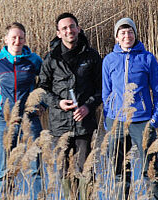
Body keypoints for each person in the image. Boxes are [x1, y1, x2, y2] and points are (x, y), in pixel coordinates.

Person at [0, 22, 43, 198]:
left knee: (35, 168)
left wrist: (42, 104)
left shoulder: (34, 60)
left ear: (25, 39)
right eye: (13, 37)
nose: (17, 41)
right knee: (5, 169)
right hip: (3, 120)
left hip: (30, 118)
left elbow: (47, 82)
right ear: (6, 39)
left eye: (20, 37)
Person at [37, 12, 102, 197]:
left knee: (86, 170)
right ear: (58, 33)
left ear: (78, 29)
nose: (69, 30)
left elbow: (101, 89)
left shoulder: (91, 56)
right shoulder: (51, 59)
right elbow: (42, 88)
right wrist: (58, 103)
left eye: (72, 26)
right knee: (65, 170)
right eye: (64, 28)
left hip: (85, 124)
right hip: (60, 125)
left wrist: (87, 106)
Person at [101, 18, 158, 198]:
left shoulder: (147, 58)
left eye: (130, 32)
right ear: (116, 37)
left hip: (143, 120)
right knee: (119, 168)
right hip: (117, 122)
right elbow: (106, 93)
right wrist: (109, 121)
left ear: (135, 34)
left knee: (151, 167)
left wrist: (155, 119)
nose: (127, 36)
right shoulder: (109, 60)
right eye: (122, 33)